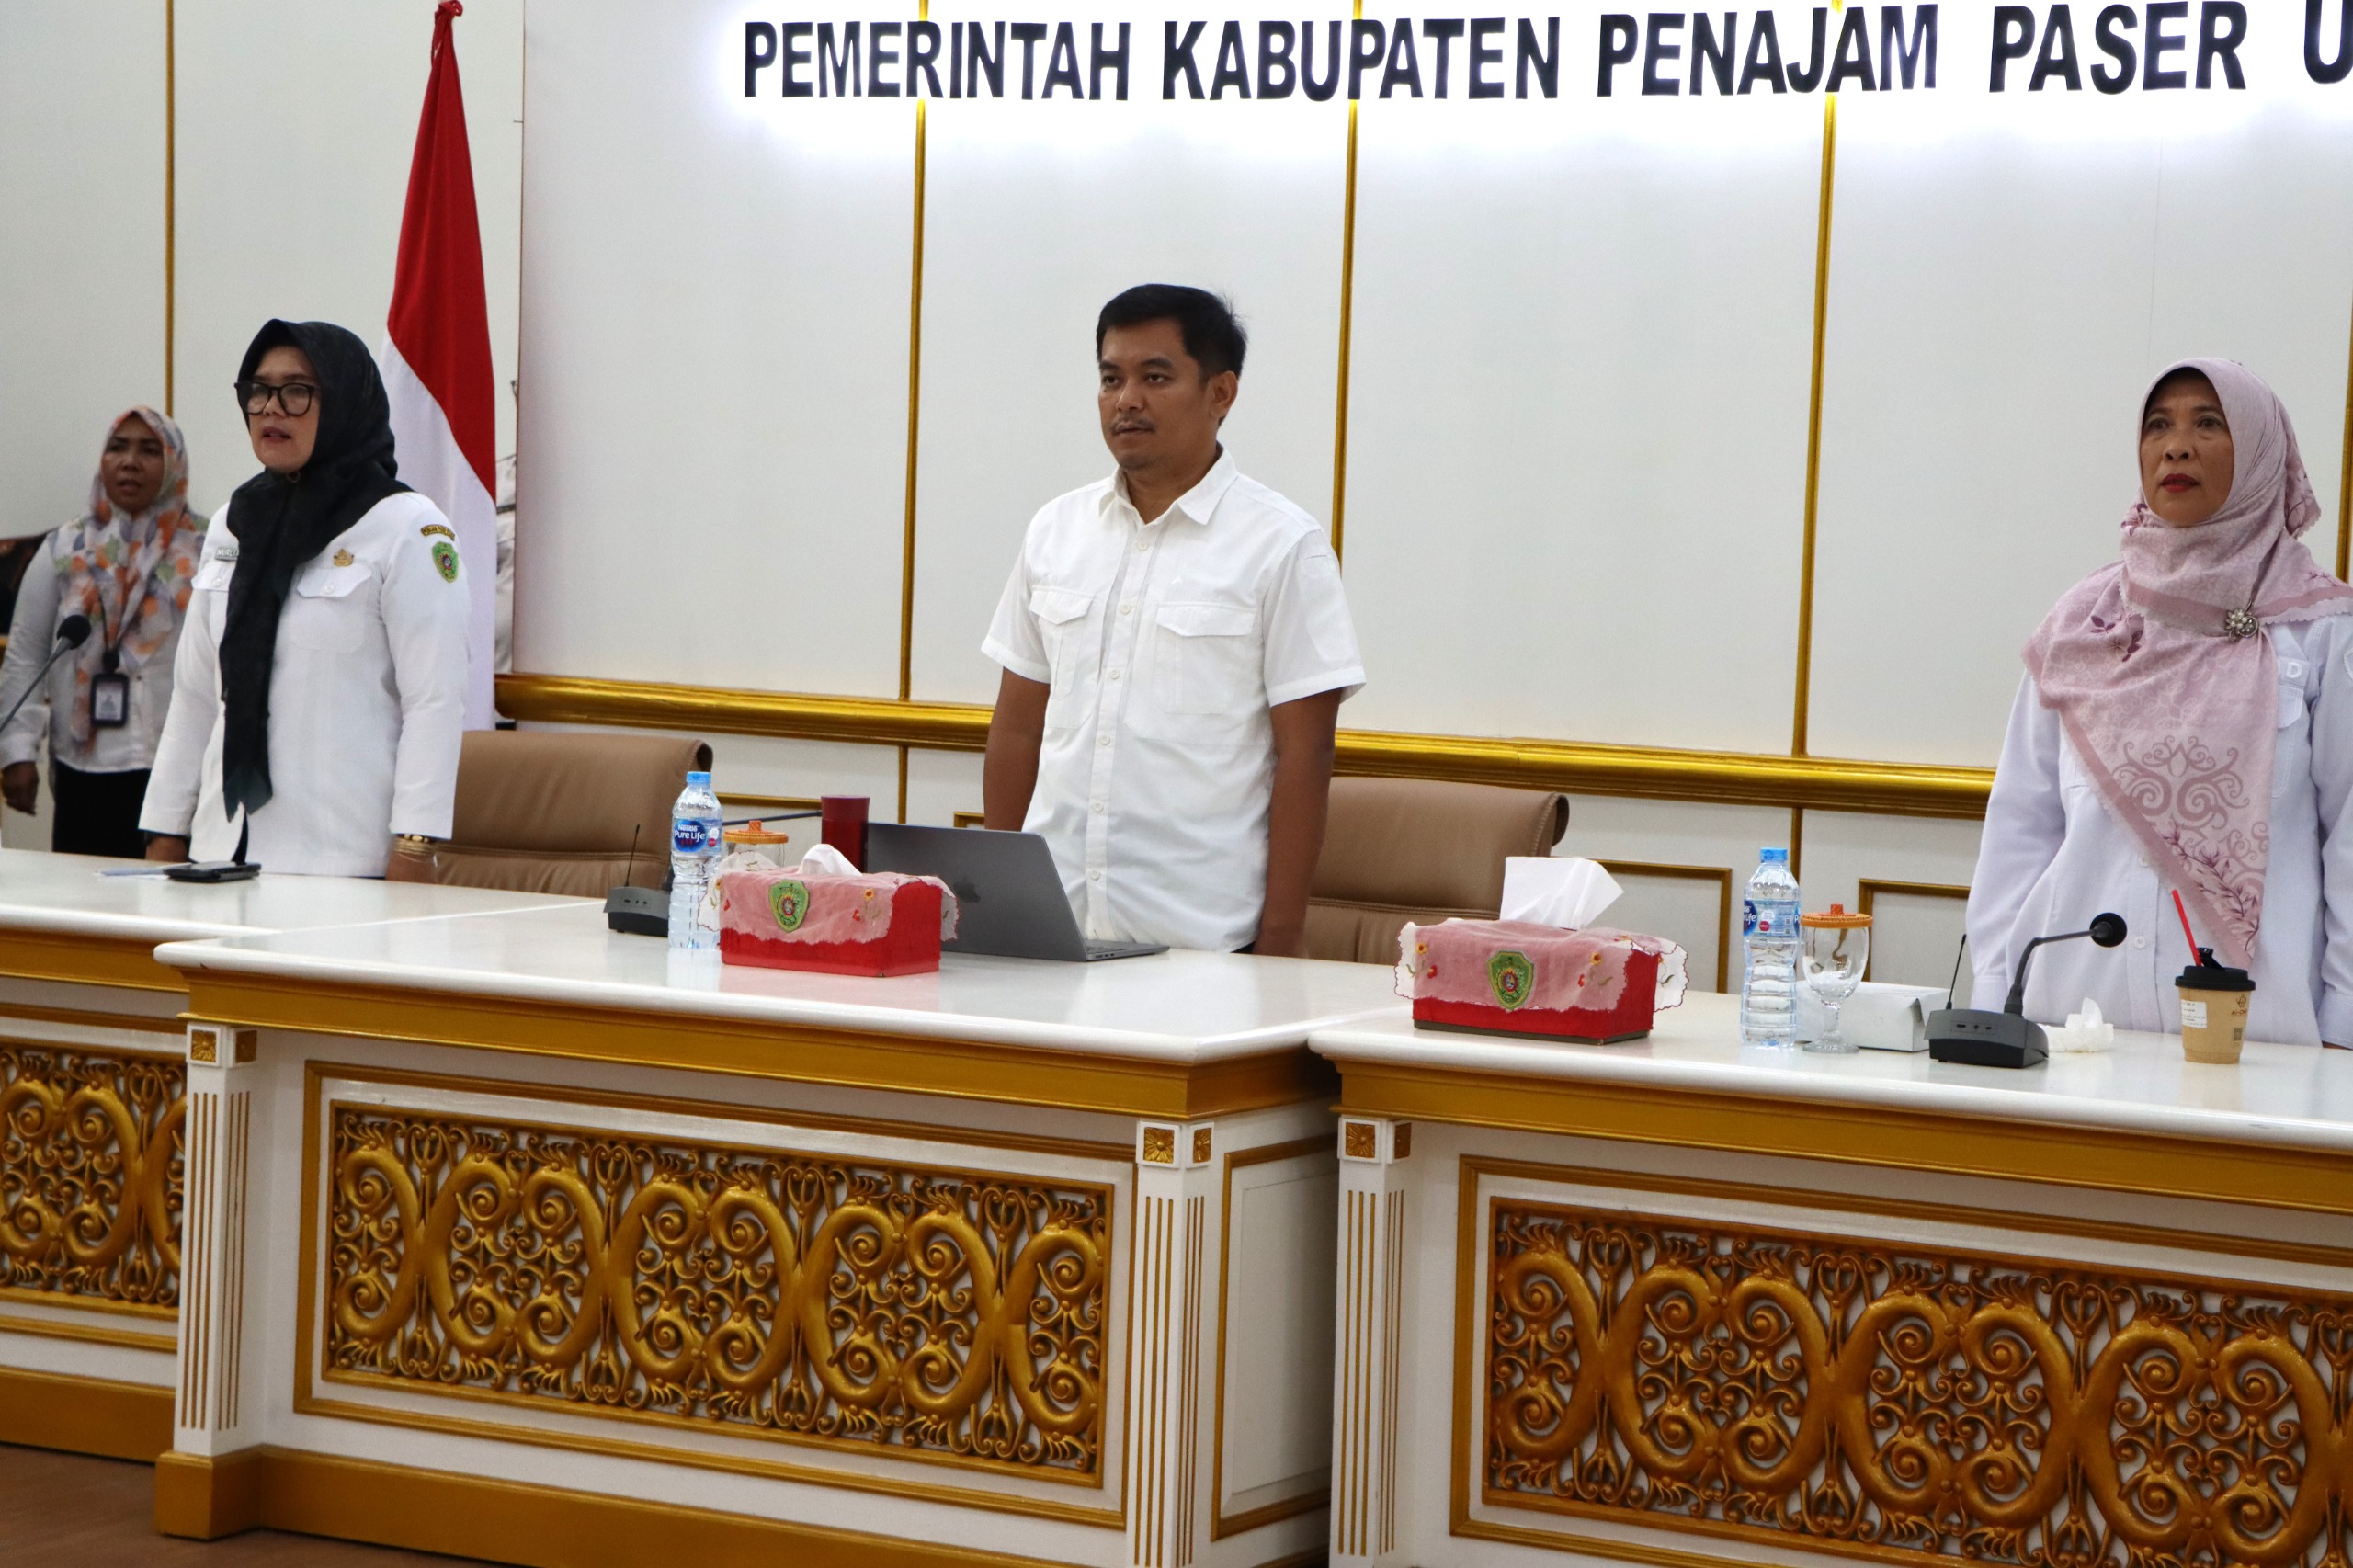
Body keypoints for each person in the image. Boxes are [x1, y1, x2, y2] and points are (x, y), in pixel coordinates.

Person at [1967, 358, 2353, 1046]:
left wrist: (2343, 1029)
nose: (2176, 447)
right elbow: (2021, 827)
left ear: (2261, 453)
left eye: (2208, 424)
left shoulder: (2320, 633)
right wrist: (1996, 998)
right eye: (2158, 426)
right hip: (2072, 1029)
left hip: (2258, 1045)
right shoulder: (2087, 623)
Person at [981, 285, 1365, 956]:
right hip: (1053, 930)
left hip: (1202, 942)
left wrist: (1281, 938)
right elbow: (1017, 727)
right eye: (1111, 379)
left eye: (1155, 378)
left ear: (1221, 393)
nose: (1126, 400)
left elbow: (1306, 754)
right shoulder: (1056, 530)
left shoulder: (1282, 545)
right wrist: (998, 899)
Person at [139, 320, 471, 876]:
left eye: (297, 390)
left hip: (341, 860)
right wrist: (166, 831)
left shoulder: (406, 527)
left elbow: (434, 701)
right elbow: (195, 694)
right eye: (259, 390)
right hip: (220, 853)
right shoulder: (232, 523)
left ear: (343, 401)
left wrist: (416, 845)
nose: (272, 408)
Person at [0, 409, 206, 857]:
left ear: (174, 463)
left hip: (178, 767)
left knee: (170, 896)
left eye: (149, 450)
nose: (130, 461)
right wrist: (17, 750)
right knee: (84, 893)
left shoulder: (207, 551)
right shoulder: (62, 549)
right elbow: (27, 654)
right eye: (118, 448)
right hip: (84, 768)